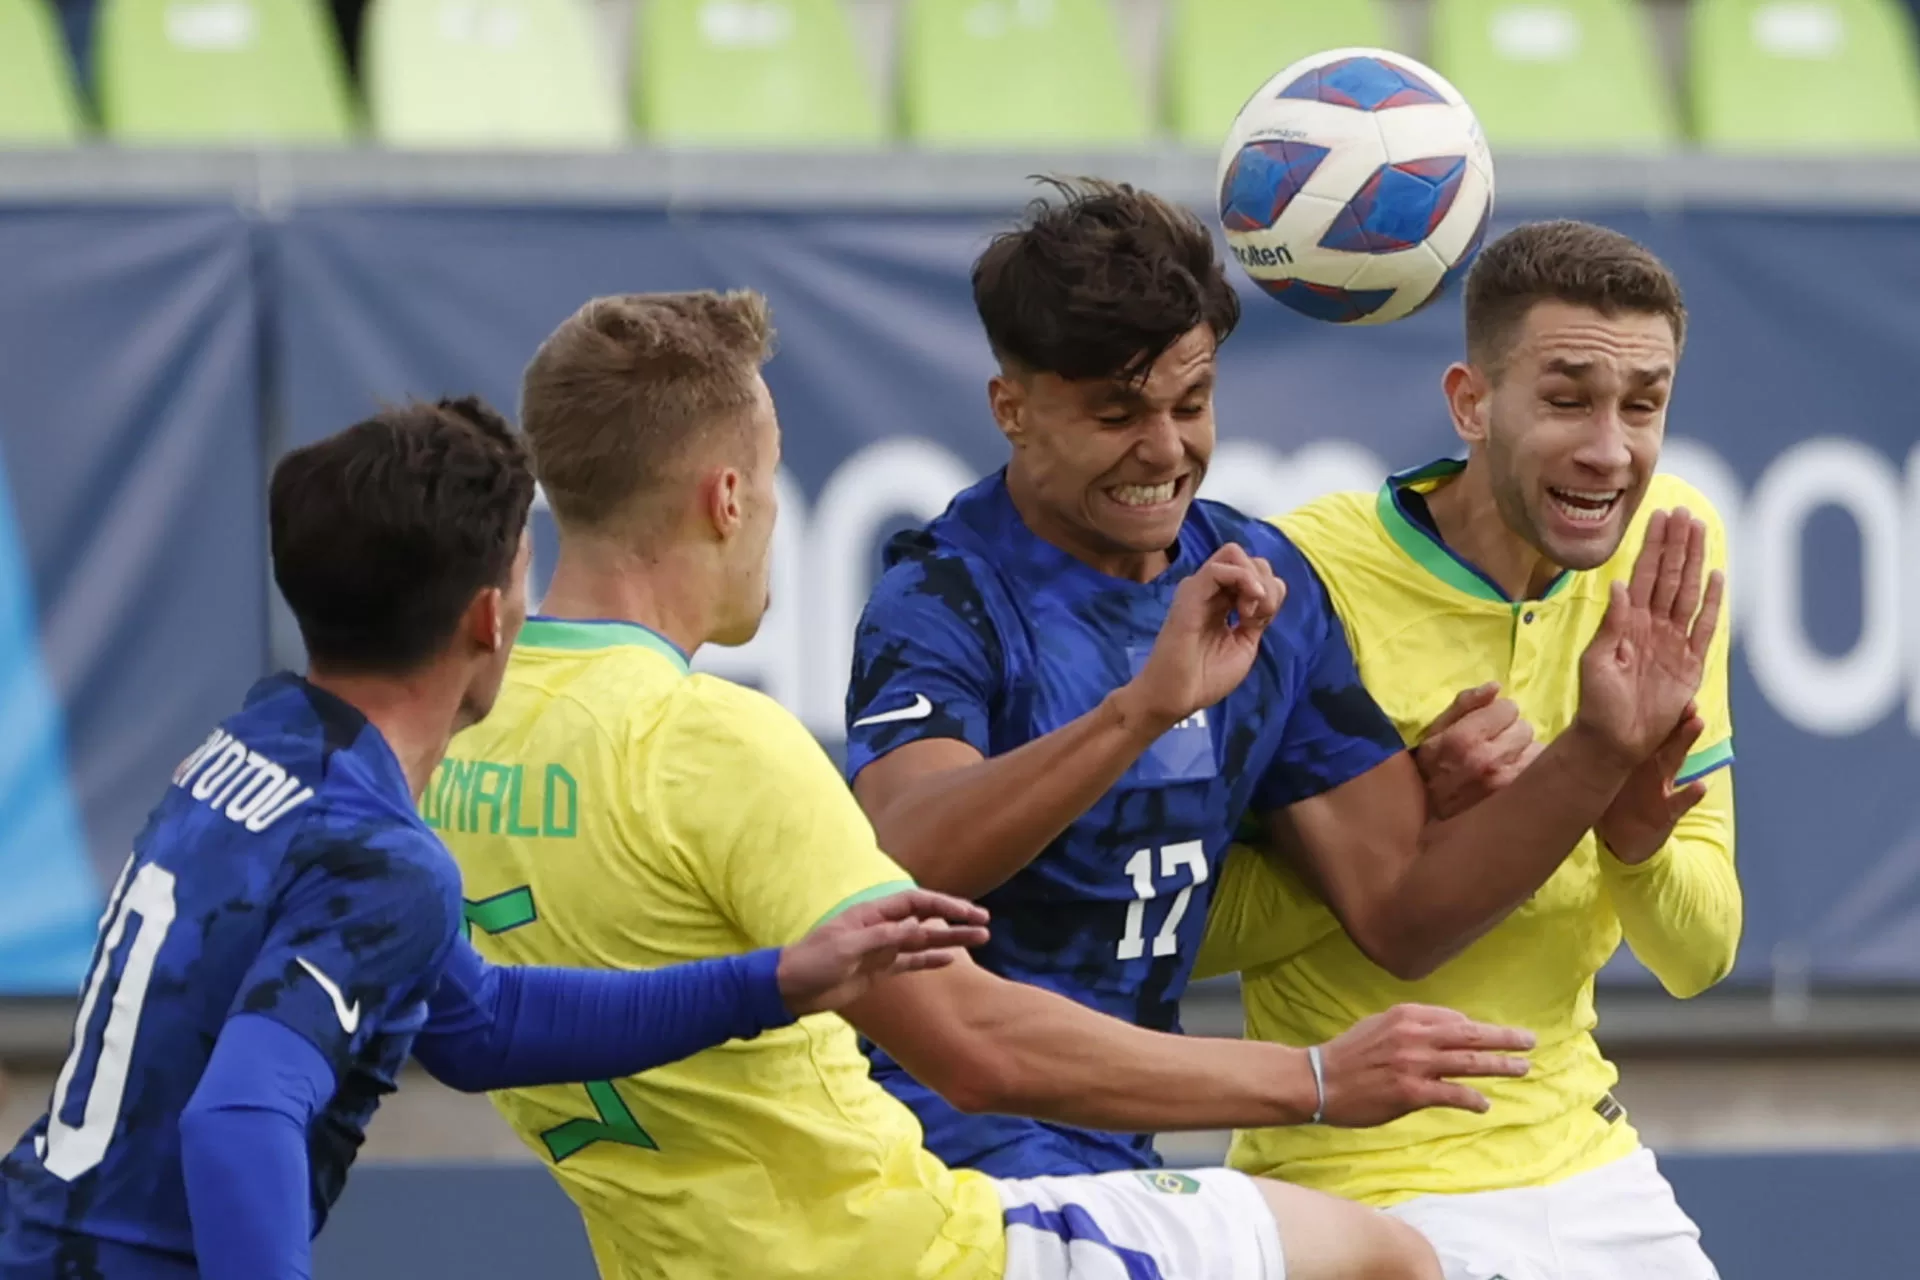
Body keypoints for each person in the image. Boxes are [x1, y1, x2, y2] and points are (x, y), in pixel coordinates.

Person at [438, 288, 1547, 1280]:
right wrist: (1312, 1077)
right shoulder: (716, 742)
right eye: (773, 482)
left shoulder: (459, 746)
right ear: (729, 498)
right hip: (923, 1249)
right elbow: (977, 1046)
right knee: (1385, 1256)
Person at [842, 179, 1720, 1179]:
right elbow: (902, 859)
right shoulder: (943, 595)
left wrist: (1595, 750)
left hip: (1124, 1153)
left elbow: (1399, 907)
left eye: (1192, 403)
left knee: (1391, 1264)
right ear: (1014, 408)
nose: (1166, 450)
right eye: (1116, 412)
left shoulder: (1260, 583)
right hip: (919, 1148)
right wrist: (1139, 713)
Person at [0, 398, 986, 1280]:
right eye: (526, 571)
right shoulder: (386, 856)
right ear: (487, 615)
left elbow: (479, 1025)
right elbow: (239, 1114)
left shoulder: (252, 740)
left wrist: (772, 981)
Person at [1198, 220, 1734, 1279]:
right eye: (1568, 397)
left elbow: (1698, 955)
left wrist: (1635, 845)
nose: (1611, 449)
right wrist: (1400, 821)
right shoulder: (1311, 573)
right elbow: (1192, 932)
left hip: (1593, 1159)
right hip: (1362, 1183)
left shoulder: (1671, 540)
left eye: (1644, 403)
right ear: (1471, 402)